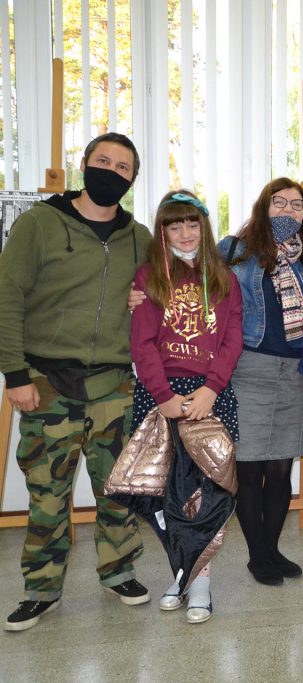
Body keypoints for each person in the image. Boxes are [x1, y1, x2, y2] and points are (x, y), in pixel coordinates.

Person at [0, 133, 152, 631]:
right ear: (83, 165)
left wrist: (145, 302)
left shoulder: (140, 238)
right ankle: (41, 589)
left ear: (132, 180)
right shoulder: (40, 224)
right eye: (103, 161)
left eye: (123, 167)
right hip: (47, 384)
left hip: (114, 386)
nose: (111, 171)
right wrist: (14, 373)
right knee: (48, 494)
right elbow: (8, 296)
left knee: (118, 489)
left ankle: (119, 572)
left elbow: (167, 294)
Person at [128, 190, 243, 624]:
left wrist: (212, 389)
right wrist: (164, 396)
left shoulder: (224, 278)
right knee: (168, 494)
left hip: (211, 395)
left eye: (192, 223)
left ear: (204, 226)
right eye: (175, 225)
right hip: (163, 396)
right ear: (163, 231)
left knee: (205, 494)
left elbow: (232, 339)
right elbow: (142, 343)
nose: (185, 232)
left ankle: (201, 583)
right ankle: (181, 572)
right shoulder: (149, 277)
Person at [218, 178, 303, 586]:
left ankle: (272, 549)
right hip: (247, 371)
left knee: (280, 470)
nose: (287, 210)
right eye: (279, 202)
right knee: (249, 470)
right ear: (264, 206)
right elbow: (198, 294)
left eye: (296, 205)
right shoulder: (234, 251)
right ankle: (257, 555)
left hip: (291, 374)